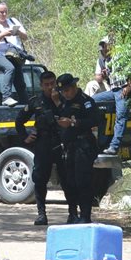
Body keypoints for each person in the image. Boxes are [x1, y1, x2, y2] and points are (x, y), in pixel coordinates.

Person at [55, 73, 103, 224]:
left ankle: (85, 215)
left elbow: (95, 120)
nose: (65, 93)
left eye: (68, 90)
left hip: (83, 146)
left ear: (74, 87)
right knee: (69, 182)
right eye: (63, 91)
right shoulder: (63, 102)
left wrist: (75, 123)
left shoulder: (85, 101)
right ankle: (72, 214)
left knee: (83, 182)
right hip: (68, 147)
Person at [14, 70, 60, 225]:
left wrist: (57, 102)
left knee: (68, 179)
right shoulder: (36, 101)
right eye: (46, 85)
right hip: (43, 143)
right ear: (41, 86)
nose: (50, 87)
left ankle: (73, 213)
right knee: (40, 179)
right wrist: (25, 137)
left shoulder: (63, 98)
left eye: (52, 83)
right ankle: (41, 214)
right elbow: (19, 120)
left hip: (61, 142)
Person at [93, 36, 131, 156]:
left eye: (105, 45)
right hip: (114, 90)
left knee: (121, 116)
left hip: (123, 89)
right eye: (102, 46)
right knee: (92, 101)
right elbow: (98, 77)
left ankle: (114, 146)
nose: (104, 48)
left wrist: (129, 87)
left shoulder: (121, 55)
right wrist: (103, 75)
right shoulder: (103, 60)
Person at [0, 0, 29, 106]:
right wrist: (2, 34)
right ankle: (6, 97)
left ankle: (26, 104)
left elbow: (25, 37)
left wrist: (17, 32)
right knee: (10, 68)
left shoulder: (13, 21)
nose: (4, 14)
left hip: (14, 56)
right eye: (1, 12)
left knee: (20, 82)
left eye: (5, 12)